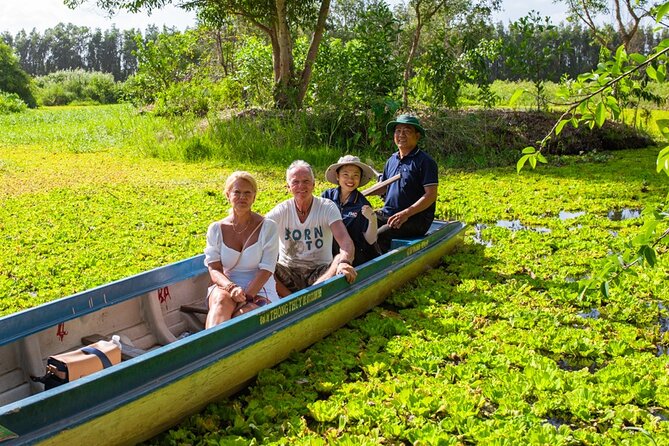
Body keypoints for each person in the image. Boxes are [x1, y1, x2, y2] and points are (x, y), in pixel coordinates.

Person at [266, 160, 357, 296]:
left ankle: (312, 295)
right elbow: (257, 228)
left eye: (306, 181)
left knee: (338, 259)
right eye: (295, 182)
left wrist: (344, 261)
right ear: (288, 187)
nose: (301, 186)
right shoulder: (281, 210)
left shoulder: (327, 207)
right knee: (264, 264)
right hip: (288, 272)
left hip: (320, 272)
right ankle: (288, 299)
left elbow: (346, 242)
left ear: (313, 185)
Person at [203, 171, 280, 328]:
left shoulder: (268, 227)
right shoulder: (216, 228)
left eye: (247, 193)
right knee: (220, 302)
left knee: (243, 317)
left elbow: (267, 269)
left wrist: (247, 296)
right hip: (227, 285)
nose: (242, 197)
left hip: (260, 287)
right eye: (236, 192)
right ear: (227, 195)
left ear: (254, 196)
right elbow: (214, 269)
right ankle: (210, 347)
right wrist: (231, 288)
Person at [370, 114, 438, 252]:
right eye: (398, 131)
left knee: (380, 235)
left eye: (407, 131)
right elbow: (383, 187)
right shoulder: (392, 160)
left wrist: (406, 213)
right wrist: (358, 194)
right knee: (360, 222)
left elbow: (430, 195)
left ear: (417, 136)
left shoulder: (425, 162)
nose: (401, 135)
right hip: (389, 213)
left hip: (414, 219)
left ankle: (379, 267)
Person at [322, 155, 380, 266]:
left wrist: (372, 219)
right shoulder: (327, 196)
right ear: (337, 176)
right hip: (327, 251)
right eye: (345, 174)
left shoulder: (362, 205)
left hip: (354, 255)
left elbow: (370, 240)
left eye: (355, 175)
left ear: (360, 178)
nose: (350, 179)